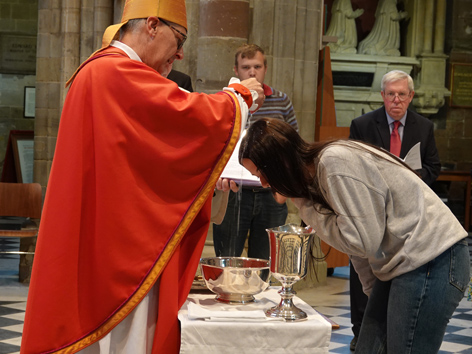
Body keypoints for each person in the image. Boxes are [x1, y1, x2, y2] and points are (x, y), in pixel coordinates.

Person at [20, 1, 264, 353]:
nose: (180, 55)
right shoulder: (113, 71)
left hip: (106, 236)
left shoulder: (102, 71)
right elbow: (184, 116)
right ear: (152, 25)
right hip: (116, 253)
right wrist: (238, 97)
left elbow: (145, 155)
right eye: (178, 40)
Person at [240, 117, 469, 354]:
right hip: (403, 263)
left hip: (432, 259)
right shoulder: (316, 175)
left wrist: (303, 205)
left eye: (261, 173)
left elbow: (360, 241)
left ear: (280, 161)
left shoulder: (333, 162)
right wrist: (374, 294)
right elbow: (359, 248)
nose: (264, 183)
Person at [348, 69, 441, 350]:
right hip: (371, 209)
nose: (396, 100)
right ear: (382, 96)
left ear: (411, 97)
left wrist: (412, 177)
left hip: (406, 212)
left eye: (402, 94)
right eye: (391, 94)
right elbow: (350, 165)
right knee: (364, 267)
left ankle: (393, 328)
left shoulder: (423, 127)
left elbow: (433, 167)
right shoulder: (362, 124)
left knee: (399, 268)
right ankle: (360, 330)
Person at [212, 44, 298, 261]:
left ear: (265, 69)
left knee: (264, 262)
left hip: (270, 193)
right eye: (246, 67)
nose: (252, 72)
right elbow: (214, 145)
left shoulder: (281, 101)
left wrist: (286, 187)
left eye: (257, 66)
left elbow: (293, 146)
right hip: (232, 192)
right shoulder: (225, 102)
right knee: (228, 259)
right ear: (236, 70)